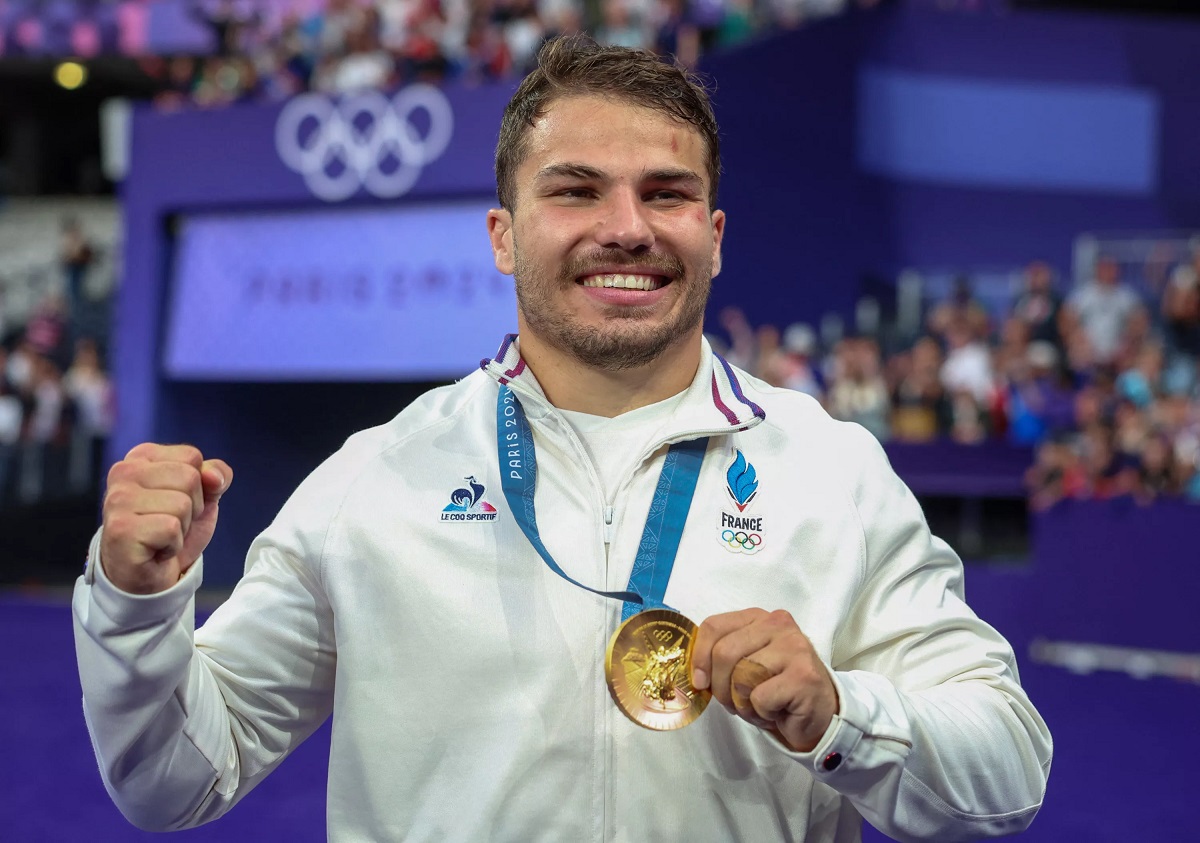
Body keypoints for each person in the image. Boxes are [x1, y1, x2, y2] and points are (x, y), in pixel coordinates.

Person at [73, 36, 1051, 841]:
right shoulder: (379, 475)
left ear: (714, 233)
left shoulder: (831, 471)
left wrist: (845, 714)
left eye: (665, 194)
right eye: (575, 190)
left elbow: (1008, 767)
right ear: (503, 234)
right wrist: (137, 610)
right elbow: (173, 784)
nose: (626, 227)